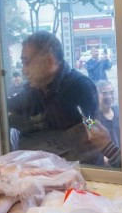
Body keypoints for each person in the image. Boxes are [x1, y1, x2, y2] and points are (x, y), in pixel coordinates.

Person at [7, 31, 103, 164]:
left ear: (50, 61)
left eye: (27, 63)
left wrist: (87, 123)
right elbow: (10, 106)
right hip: (39, 167)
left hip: (79, 170)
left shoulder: (80, 86)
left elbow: (94, 126)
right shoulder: (35, 88)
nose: (24, 71)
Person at [95, 79, 120, 148]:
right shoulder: (91, 119)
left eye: (111, 92)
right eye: (104, 93)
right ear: (96, 95)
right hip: (107, 157)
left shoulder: (120, 111)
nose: (109, 97)